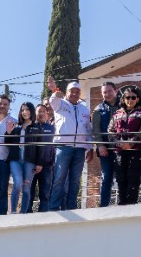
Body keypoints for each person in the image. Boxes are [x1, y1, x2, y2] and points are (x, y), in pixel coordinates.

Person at [46, 77, 93, 211]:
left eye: (77, 91)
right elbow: (53, 100)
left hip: (79, 149)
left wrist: (90, 148)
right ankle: (54, 208)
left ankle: (71, 208)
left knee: (75, 180)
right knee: (59, 178)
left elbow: (88, 130)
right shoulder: (60, 104)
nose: (75, 93)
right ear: (66, 92)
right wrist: (55, 90)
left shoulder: (84, 109)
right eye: (72, 91)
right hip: (63, 147)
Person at [108, 85, 141, 205]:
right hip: (119, 151)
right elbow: (110, 131)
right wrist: (119, 143)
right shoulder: (116, 114)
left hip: (135, 151)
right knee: (121, 179)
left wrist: (130, 143)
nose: (130, 100)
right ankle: (122, 204)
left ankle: (131, 206)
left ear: (137, 99)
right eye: (127, 98)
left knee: (133, 178)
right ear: (123, 99)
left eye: (133, 97)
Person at [8, 102, 45, 213]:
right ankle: (13, 211)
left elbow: (41, 147)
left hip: (30, 161)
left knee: (26, 187)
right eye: (22, 110)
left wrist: (39, 163)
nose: (25, 112)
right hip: (16, 160)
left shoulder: (37, 127)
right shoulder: (16, 126)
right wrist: (9, 133)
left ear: (32, 111)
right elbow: (7, 143)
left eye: (27, 109)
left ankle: (23, 213)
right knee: (17, 183)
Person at [92, 82, 118, 207]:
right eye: (104, 92)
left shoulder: (123, 105)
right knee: (106, 178)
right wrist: (100, 145)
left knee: (122, 177)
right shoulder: (98, 109)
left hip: (121, 149)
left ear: (115, 91)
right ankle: (104, 207)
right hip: (105, 150)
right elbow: (96, 130)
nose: (107, 94)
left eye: (109, 91)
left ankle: (125, 205)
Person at [28, 102, 55, 212]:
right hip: (31, 165)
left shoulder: (52, 128)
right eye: (39, 111)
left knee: (45, 194)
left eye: (44, 111)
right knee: (29, 192)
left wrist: (52, 161)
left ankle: (43, 216)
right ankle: (26, 215)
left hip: (47, 166)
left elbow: (54, 146)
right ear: (35, 113)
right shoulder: (29, 127)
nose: (41, 113)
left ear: (47, 114)